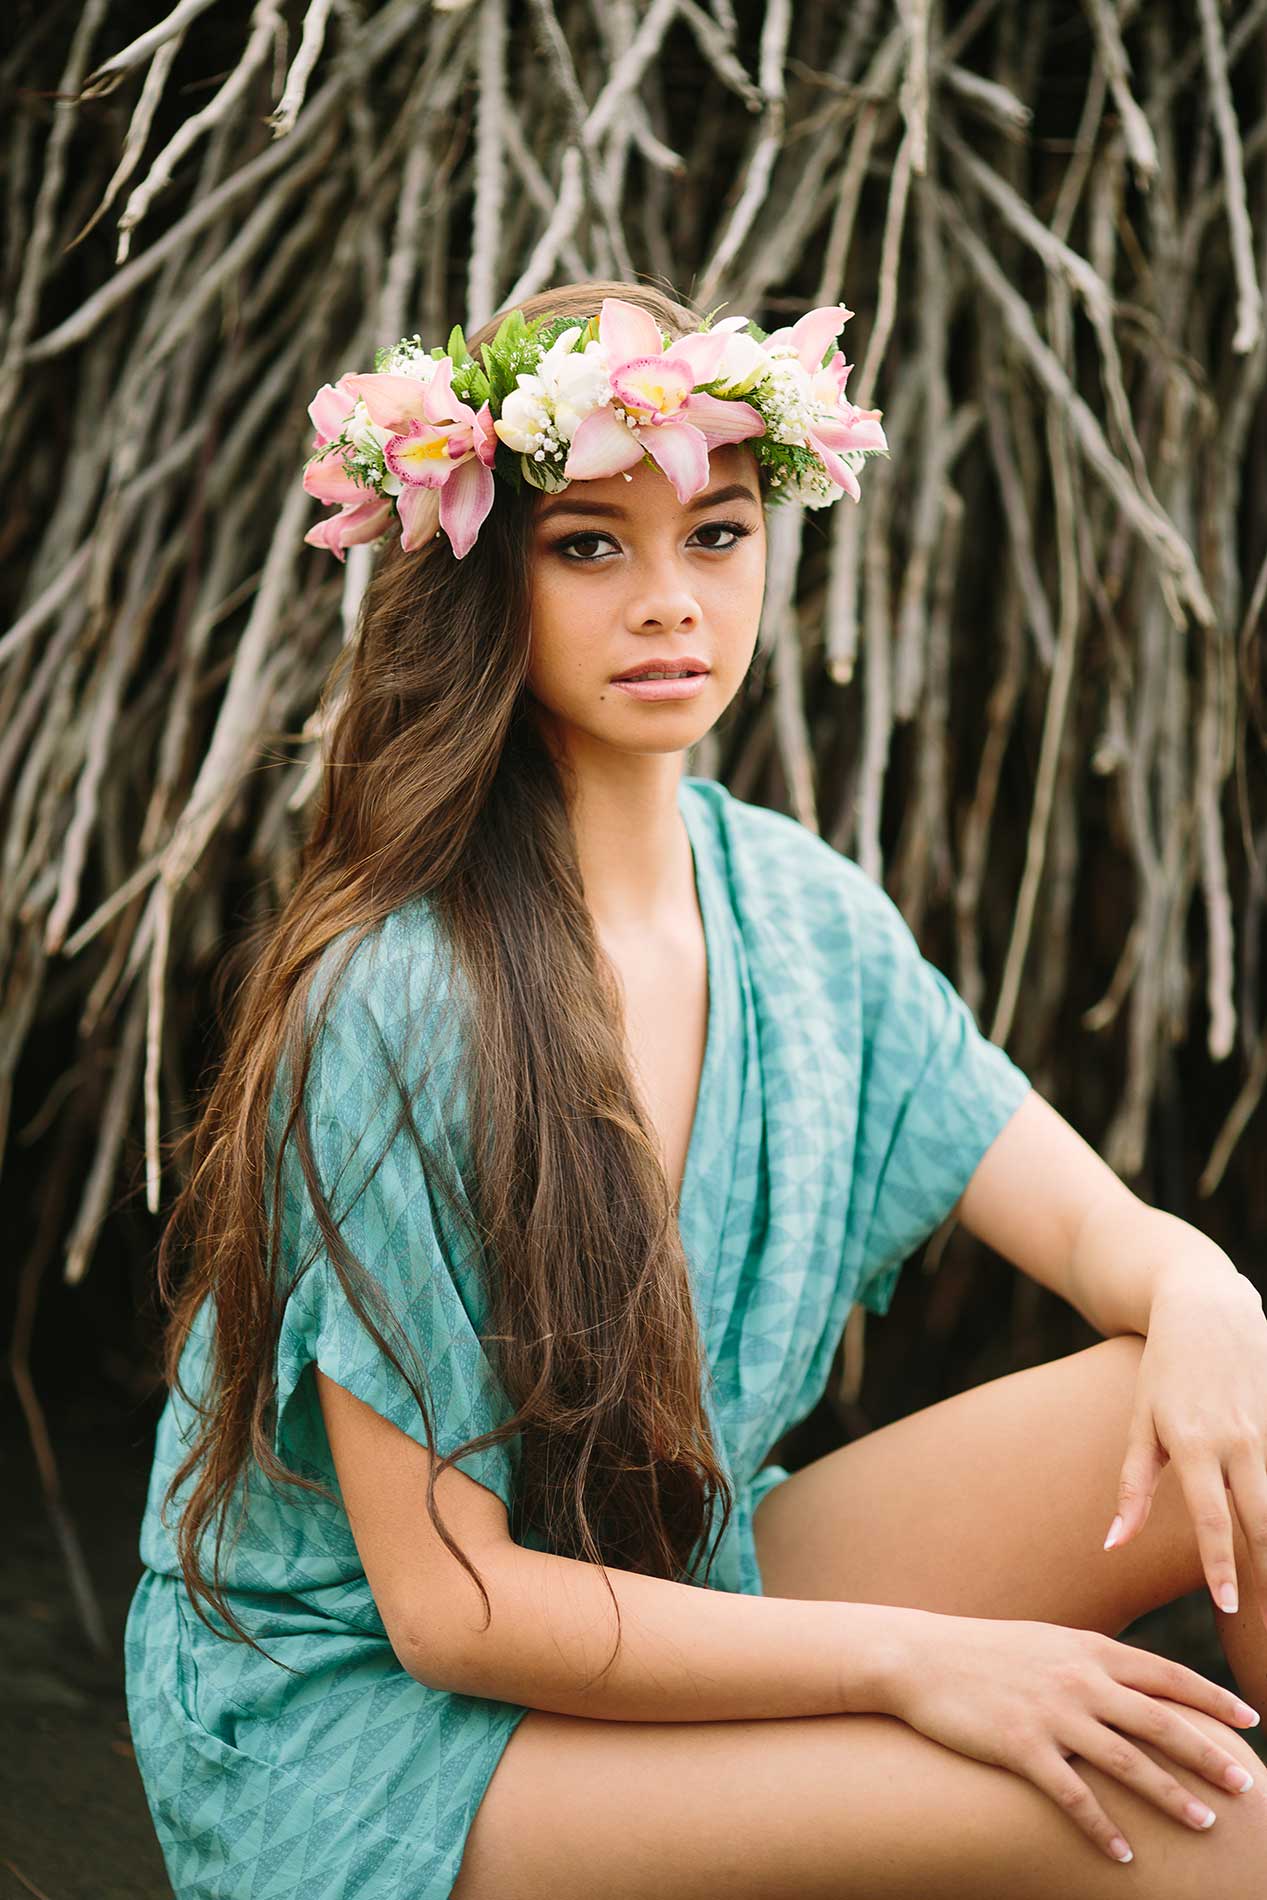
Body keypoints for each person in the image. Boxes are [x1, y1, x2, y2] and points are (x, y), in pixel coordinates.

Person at [123, 279, 1267, 1899]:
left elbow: (1114, 1247)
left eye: (716, 536)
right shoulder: (394, 993)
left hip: (672, 1577)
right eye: (592, 544)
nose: (671, 601)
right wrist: (920, 1665)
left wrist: (1211, 1291)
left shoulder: (802, 917)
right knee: (1167, 1805)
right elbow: (456, 1611)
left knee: (1249, 1420)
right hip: (380, 1721)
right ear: (485, 578)